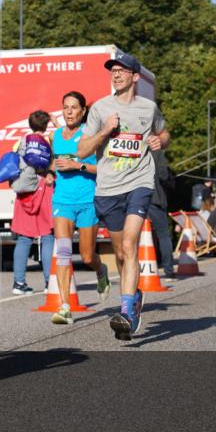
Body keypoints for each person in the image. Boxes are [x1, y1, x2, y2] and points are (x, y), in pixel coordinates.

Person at [77, 52, 170, 340]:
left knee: (130, 244)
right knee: (120, 253)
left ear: (135, 76)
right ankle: (135, 297)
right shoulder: (100, 109)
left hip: (139, 183)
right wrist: (105, 130)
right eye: (112, 71)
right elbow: (81, 151)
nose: (116, 75)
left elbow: (163, 132)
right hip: (108, 188)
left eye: (122, 70)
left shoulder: (147, 107)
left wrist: (159, 140)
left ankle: (127, 311)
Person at [50, 91, 110, 324]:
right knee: (63, 252)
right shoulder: (56, 135)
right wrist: (52, 169)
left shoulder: (90, 136)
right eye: (66, 107)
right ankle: (64, 306)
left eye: (74, 107)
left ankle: (100, 270)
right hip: (62, 202)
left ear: (83, 111)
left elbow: (103, 169)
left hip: (87, 202)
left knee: (86, 256)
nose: (69, 111)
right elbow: (56, 165)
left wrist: (77, 165)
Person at [11, 110, 55, 295]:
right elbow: (53, 163)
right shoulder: (48, 142)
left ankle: (19, 283)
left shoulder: (20, 142)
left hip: (24, 193)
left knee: (23, 238)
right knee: (47, 236)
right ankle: (49, 283)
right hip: (43, 190)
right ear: (45, 126)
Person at [149, 149, 176, 278]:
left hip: (133, 199)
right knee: (163, 235)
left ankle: (132, 269)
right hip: (155, 199)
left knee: (133, 237)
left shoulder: (131, 152)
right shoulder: (157, 154)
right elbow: (164, 176)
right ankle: (168, 270)